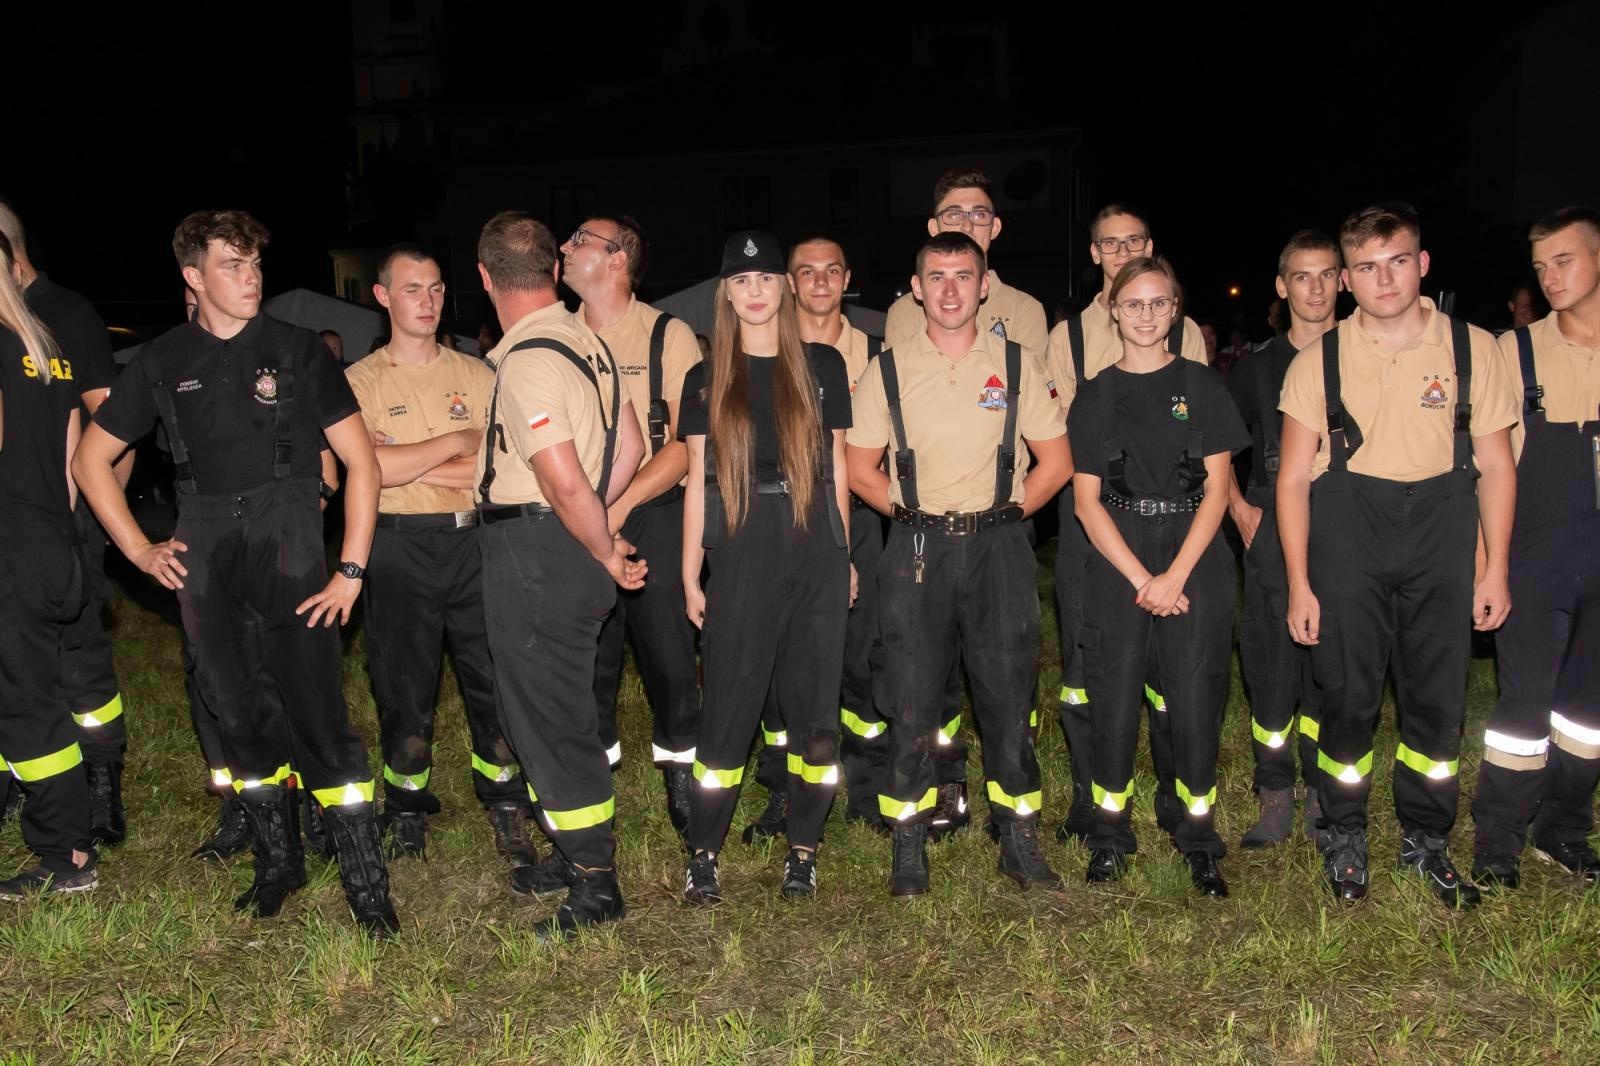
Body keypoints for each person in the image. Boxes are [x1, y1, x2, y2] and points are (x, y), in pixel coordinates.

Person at [73, 209, 399, 936]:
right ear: (194, 277)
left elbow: (362, 464)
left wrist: (350, 569)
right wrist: (137, 549)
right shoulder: (161, 361)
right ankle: (277, 862)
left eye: (255, 265)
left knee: (319, 714)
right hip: (204, 544)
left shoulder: (299, 351)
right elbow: (90, 461)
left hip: (289, 540)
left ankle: (365, 881)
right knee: (241, 716)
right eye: (232, 265)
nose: (250, 279)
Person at [1278, 202, 1517, 908]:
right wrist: (1299, 583)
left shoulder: (1473, 348)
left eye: (1399, 261)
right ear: (1348, 279)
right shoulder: (1319, 360)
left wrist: (1494, 565)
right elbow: (1293, 477)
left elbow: (1498, 467)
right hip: (1350, 528)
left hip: (1443, 529)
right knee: (1347, 694)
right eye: (1369, 267)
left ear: (1424, 264)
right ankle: (1344, 831)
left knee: (1437, 697)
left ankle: (1427, 838)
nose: (1386, 279)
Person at [848, 231, 1071, 897]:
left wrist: (1003, 516)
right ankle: (909, 841)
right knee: (911, 696)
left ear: (982, 285)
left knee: (1008, 694)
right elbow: (859, 468)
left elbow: (1056, 459)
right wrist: (917, 517)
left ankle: (1018, 836)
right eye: (936, 276)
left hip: (1000, 546)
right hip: (916, 545)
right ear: (917, 288)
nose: (949, 289)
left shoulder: (1017, 363)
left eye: (962, 276)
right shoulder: (888, 368)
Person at [472, 210, 646, 938]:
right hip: (559, 545)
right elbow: (632, 443)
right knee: (549, 712)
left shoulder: (529, 357)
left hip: (540, 555)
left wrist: (598, 542)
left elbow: (565, 482)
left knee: (551, 721)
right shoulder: (588, 342)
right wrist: (594, 531)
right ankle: (573, 856)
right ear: (550, 269)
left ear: (484, 279)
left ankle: (595, 879)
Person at [345, 244, 535, 866]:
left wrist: (406, 459)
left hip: (475, 541)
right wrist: (455, 441)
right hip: (398, 547)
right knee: (404, 686)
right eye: (410, 290)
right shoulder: (360, 381)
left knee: (493, 681)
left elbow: (496, 465)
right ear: (382, 297)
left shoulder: (478, 374)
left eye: (434, 289)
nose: (426, 302)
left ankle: (506, 803)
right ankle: (405, 807)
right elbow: (366, 470)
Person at [678, 230, 853, 904]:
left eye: (765, 278)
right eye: (740, 280)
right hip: (742, 544)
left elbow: (836, 465)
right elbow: (696, 480)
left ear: (782, 286)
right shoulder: (706, 377)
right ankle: (704, 853)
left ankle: (803, 848)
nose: (754, 291)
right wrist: (693, 573)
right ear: (726, 293)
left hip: (813, 541)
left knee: (814, 709)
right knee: (730, 703)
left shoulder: (823, 366)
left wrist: (843, 555)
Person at [1068, 257, 1248, 895]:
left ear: (1176, 310)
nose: (1145, 314)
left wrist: (1174, 576)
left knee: (1196, 700)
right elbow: (1087, 501)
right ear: (1113, 311)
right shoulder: (1095, 394)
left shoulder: (1205, 387)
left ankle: (1198, 838)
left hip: (1193, 553)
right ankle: (1110, 834)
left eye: (1158, 303)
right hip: (1120, 552)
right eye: (1132, 304)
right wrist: (1143, 577)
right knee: (1112, 700)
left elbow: (1220, 490)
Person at [883, 167, 1048, 835]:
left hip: (1002, 519)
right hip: (927, 525)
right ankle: (946, 785)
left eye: (979, 214)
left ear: (995, 228)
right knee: (925, 672)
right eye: (952, 213)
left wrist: (1013, 509)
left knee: (1006, 669)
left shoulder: (1029, 313)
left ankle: (1014, 812)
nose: (965, 223)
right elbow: (903, 415)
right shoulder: (903, 314)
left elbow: (1042, 423)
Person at [1042, 202, 1208, 843]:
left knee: (1171, 662)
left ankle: (1173, 788)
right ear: (1094, 255)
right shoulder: (1068, 339)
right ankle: (1091, 793)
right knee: (1088, 661)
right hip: (1092, 511)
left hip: (1171, 509)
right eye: (1109, 245)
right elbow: (1059, 434)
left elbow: (1196, 417)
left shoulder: (1181, 325)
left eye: (1133, 240)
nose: (1121, 252)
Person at [1471, 206, 1600, 890]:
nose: (1549, 276)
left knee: (1588, 713)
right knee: (1523, 707)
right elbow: (1488, 473)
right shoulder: (1510, 352)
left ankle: (1564, 829)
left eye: (1565, 260)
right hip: (1535, 552)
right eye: (1540, 265)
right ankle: (1498, 839)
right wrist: (1485, 566)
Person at [561, 216, 702, 837]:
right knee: (590, 657)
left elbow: (684, 446)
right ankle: (597, 778)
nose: (564, 249)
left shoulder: (667, 335)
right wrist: (588, 518)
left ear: (617, 259)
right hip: (572, 510)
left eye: (579, 241)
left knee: (670, 656)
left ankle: (681, 775)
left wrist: (613, 514)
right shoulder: (552, 335)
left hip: (650, 509)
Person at [0, 197, 129, 847]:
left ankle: (84, 814)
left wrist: (96, 526)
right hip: (44, 532)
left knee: (59, 684)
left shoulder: (55, 320)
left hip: (41, 536)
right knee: (25, 679)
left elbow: (106, 431)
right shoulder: (34, 336)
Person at [1226, 231, 1340, 847]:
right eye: (1302, 276)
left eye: (1327, 274)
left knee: (1333, 661)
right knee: (1270, 662)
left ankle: (1324, 794)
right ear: (1282, 286)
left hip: (1347, 523)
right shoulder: (1256, 369)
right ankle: (1274, 795)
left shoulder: (1363, 355)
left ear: (1343, 280)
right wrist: (1241, 510)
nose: (1315, 287)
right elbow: (1215, 451)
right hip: (1271, 520)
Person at [0, 231, 98, 899]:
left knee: (26, 706)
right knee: (27, 692)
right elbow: (70, 472)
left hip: (9, 549)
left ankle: (65, 853)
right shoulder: (47, 351)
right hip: (48, 543)